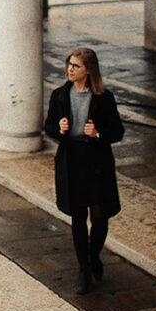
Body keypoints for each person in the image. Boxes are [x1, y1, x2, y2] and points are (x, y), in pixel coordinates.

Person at [44, 47, 124, 295]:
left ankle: (92, 256)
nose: (69, 69)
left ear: (88, 70)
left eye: (75, 66)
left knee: (100, 216)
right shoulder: (59, 95)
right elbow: (48, 127)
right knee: (78, 216)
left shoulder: (104, 98)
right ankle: (83, 270)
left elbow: (118, 132)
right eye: (68, 64)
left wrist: (98, 134)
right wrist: (60, 129)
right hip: (72, 161)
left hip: (97, 161)